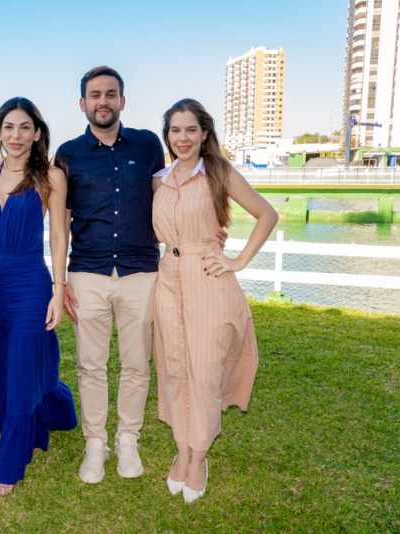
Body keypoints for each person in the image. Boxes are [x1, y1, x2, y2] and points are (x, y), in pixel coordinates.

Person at [152, 98, 278, 503]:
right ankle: (182, 450)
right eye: (175, 130)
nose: (182, 138)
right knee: (173, 368)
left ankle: (200, 456)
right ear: (166, 135)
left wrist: (236, 260)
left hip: (207, 279)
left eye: (191, 129)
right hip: (167, 280)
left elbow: (267, 214)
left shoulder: (219, 171)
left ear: (204, 133)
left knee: (203, 372)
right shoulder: (161, 177)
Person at [55, 66, 168, 484]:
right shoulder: (68, 153)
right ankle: (94, 443)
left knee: (137, 363)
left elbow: (167, 197)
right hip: (88, 272)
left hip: (142, 270)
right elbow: (61, 223)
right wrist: (60, 281)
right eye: (95, 95)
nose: (103, 101)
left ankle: (128, 441)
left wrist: (205, 228)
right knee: (90, 365)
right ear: (82, 103)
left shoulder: (149, 144)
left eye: (111, 93)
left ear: (123, 100)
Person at [0, 98, 78, 496]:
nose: (16, 136)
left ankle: (10, 462)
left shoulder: (50, 176)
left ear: (37, 132)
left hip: (30, 286)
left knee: (21, 371)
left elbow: (58, 236)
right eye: (8, 127)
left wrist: (59, 289)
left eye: (24, 127)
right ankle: (55, 409)